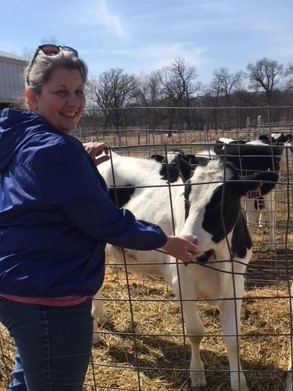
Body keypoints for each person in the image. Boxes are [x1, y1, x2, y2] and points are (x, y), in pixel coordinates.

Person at [0, 44, 198, 391]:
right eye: (61, 92)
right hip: (51, 296)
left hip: (18, 286)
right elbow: (105, 222)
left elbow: (39, 190)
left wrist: (77, 159)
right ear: (32, 97)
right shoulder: (57, 150)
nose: (74, 102)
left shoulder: (18, 138)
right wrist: (167, 242)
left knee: (30, 377)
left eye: (78, 91)